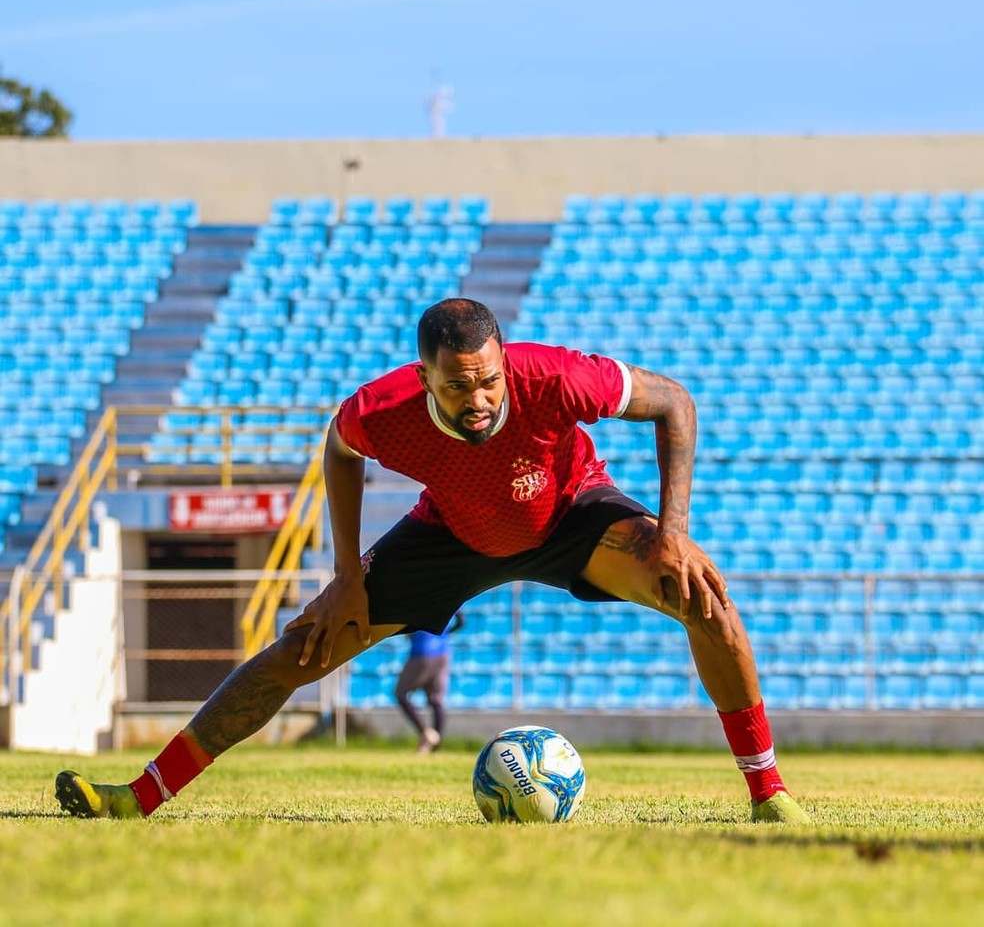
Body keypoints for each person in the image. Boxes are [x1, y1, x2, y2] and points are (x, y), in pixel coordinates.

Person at [55, 298, 809, 824]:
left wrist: (672, 528)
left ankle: (768, 792)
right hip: (449, 536)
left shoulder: (558, 378)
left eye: (488, 380)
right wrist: (347, 578)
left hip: (571, 513)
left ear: (505, 364)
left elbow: (674, 401)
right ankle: (140, 796)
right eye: (458, 385)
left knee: (704, 594)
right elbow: (339, 450)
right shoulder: (382, 410)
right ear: (425, 380)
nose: (478, 397)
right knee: (302, 647)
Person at [395, 613, 463, 753]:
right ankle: (435, 747)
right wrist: (445, 634)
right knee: (436, 699)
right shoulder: (448, 594)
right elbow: (461, 621)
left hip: (422, 651)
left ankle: (426, 733)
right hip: (443, 653)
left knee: (401, 693)